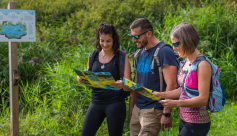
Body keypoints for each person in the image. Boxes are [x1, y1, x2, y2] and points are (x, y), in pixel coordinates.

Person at [153, 22, 211, 136]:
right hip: (184, 119)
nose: (173, 48)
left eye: (176, 44)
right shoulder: (185, 61)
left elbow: (203, 99)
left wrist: (175, 103)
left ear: (187, 41)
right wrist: (161, 94)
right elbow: (183, 90)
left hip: (197, 122)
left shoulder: (202, 64)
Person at [77, 23, 131, 136]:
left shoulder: (121, 56)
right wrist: (83, 79)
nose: (105, 44)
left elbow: (128, 84)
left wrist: (122, 83)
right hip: (96, 101)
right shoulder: (93, 55)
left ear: (114, 40)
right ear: (98, 39)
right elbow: (90, 81)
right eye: (102, 41)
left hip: (115, 103)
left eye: (108, 41)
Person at [129, 18, 178, 136]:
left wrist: (166, 113)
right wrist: (131, 107)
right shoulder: (139, 53)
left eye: (136, 37)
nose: (134, 40)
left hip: (153, 110)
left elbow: (171, 84)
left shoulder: (164, 51)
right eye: (132, 36)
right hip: (137, 108)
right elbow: (136, 83)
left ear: (149, 33)